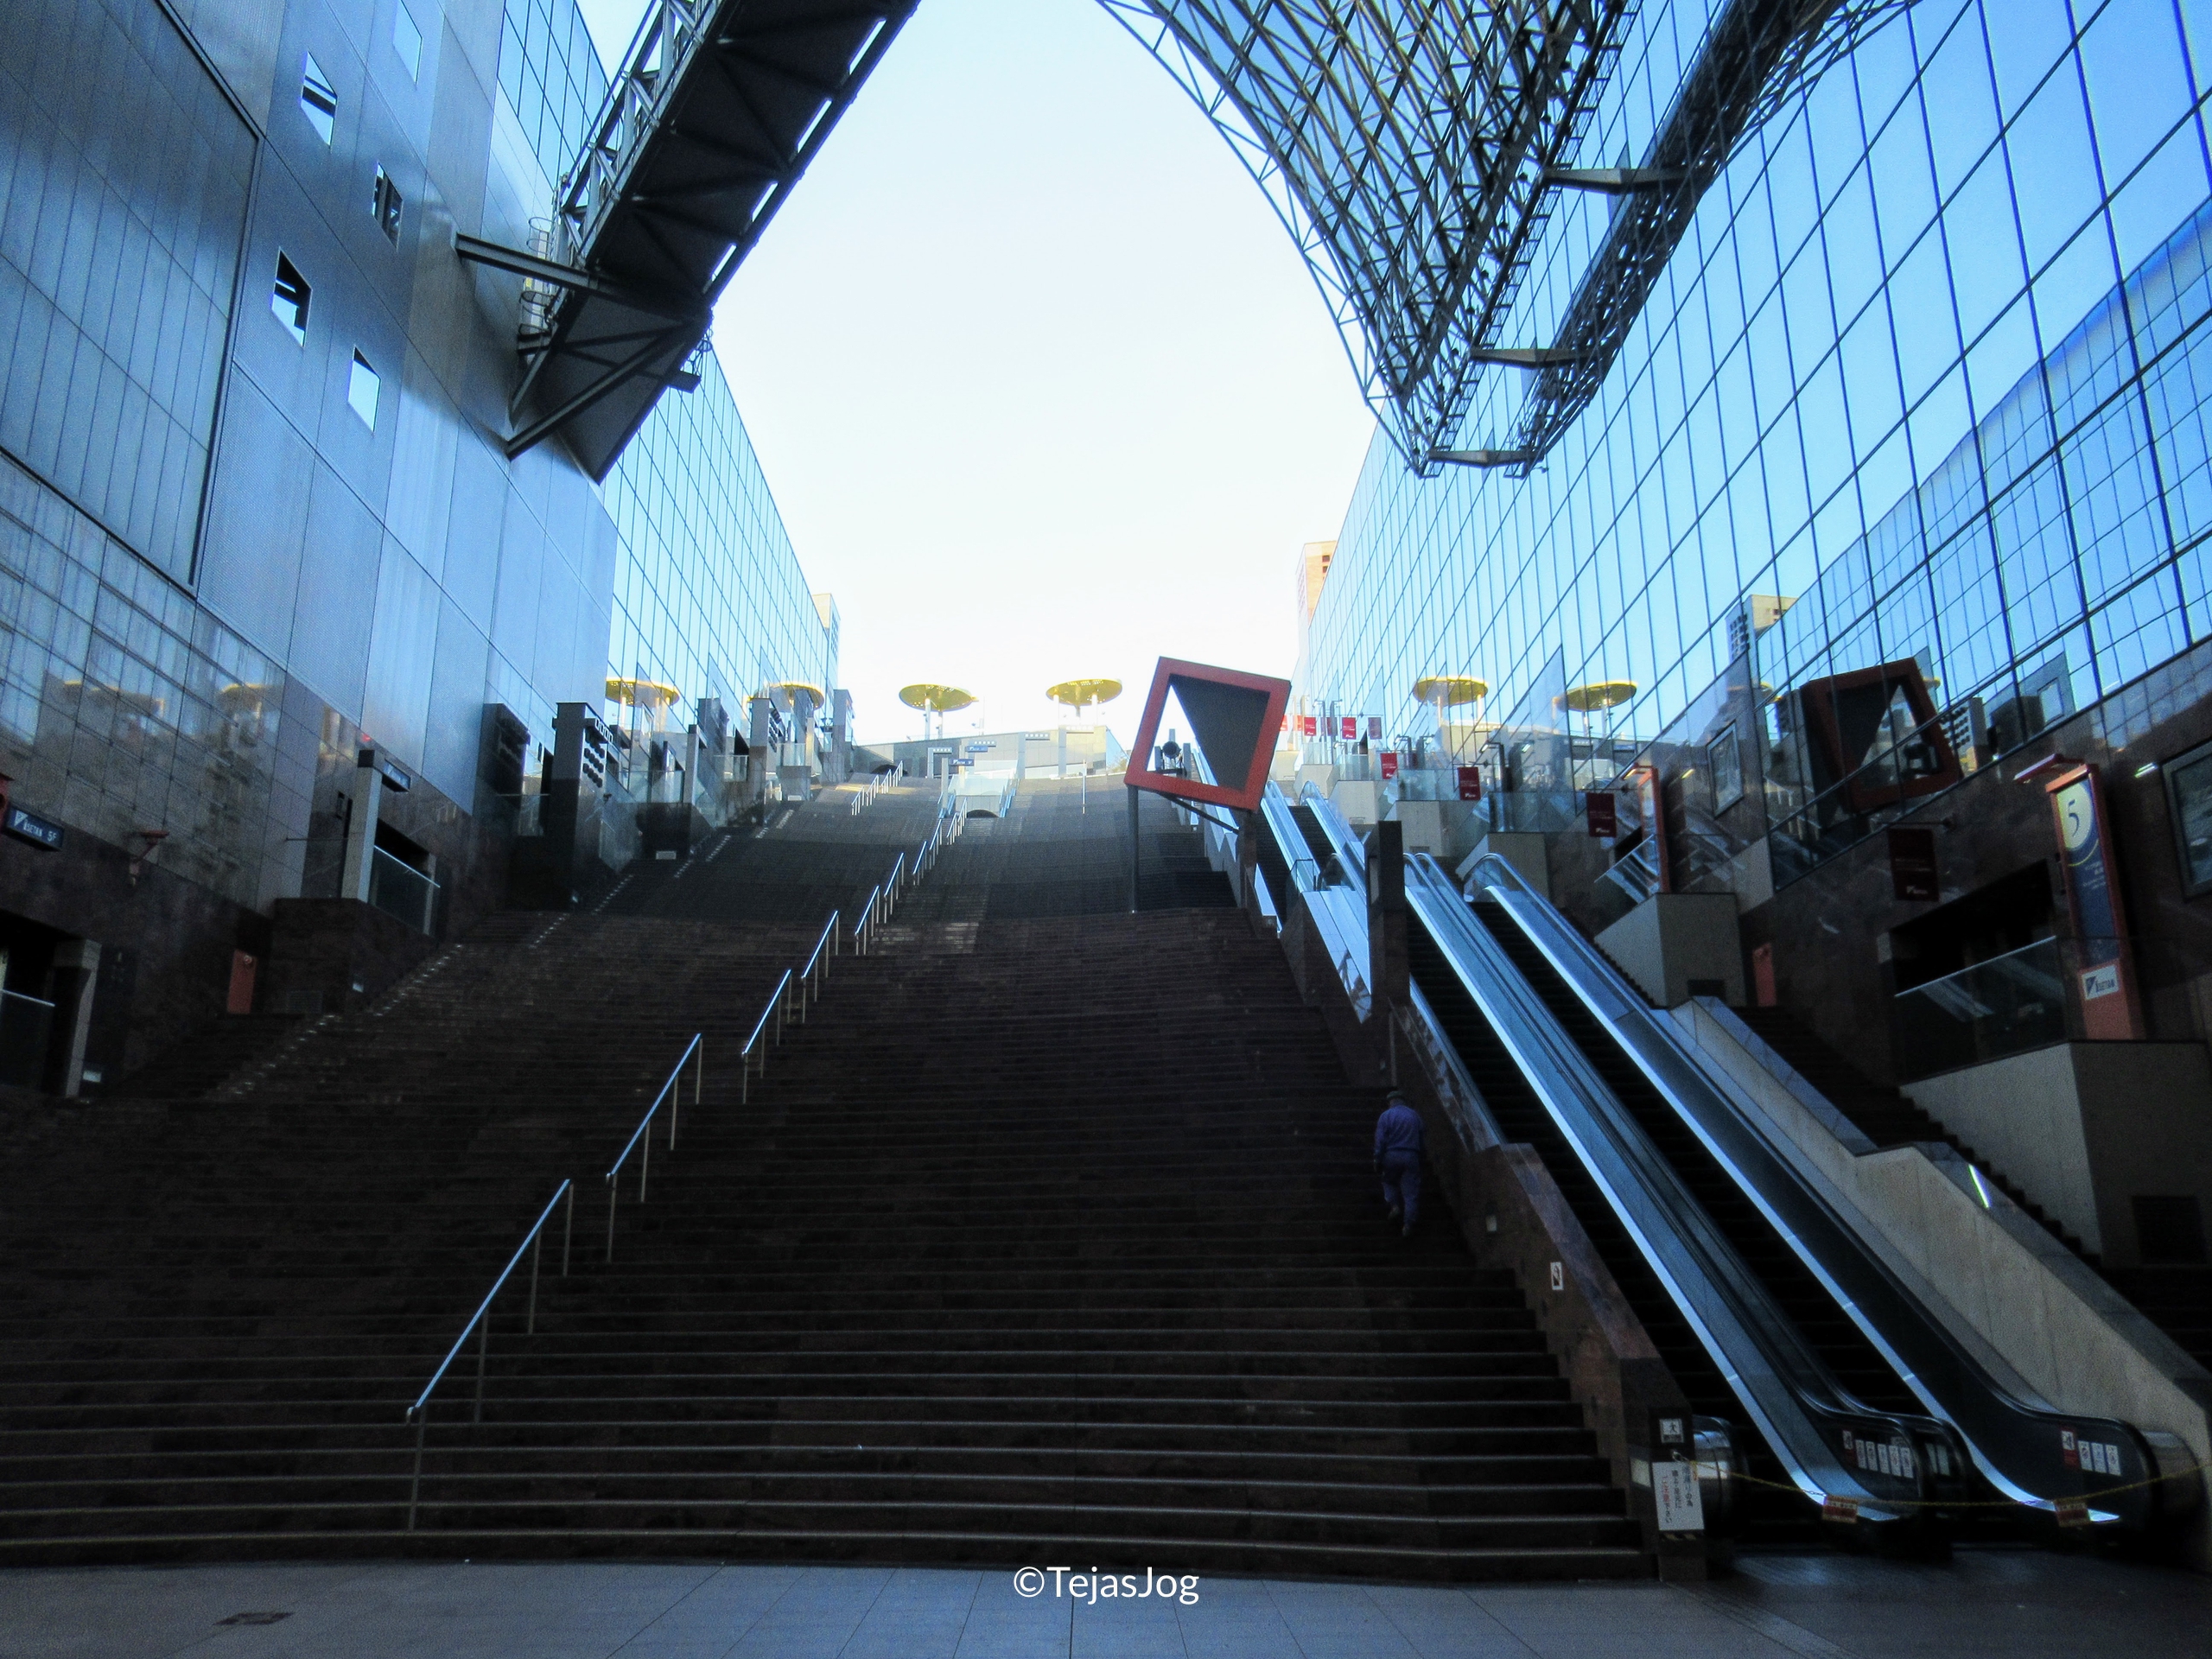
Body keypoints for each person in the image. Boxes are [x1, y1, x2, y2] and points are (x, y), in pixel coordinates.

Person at [1372, 1090, 1424, 1237]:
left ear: (1390, 1102)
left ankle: (1394, 1205)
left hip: (1392, 1155)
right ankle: (1408, 1225)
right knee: (1411, 1193)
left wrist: (1377, 1159)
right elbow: (1421, 1137)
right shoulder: (1414, 1115)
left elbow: (1380, 1141)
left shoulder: (1386, 1115)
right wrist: (1419, 1156)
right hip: (1411, 1155)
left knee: (1388, 1181)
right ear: (1403, 1100)